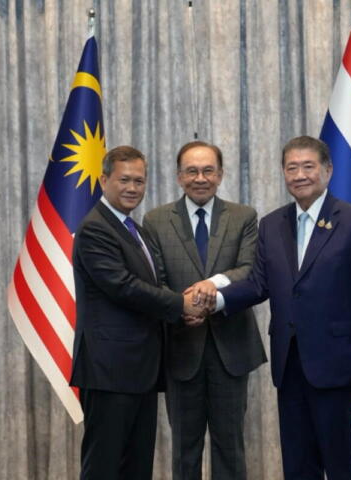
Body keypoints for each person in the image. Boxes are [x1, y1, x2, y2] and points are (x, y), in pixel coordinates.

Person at [212, 136, 351, 480]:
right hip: (289, 362)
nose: (300, 175)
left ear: (328, 170)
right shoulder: (271, 224)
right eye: (292, 167)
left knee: (337, 459)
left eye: (308, 166)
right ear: (283, 172)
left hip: (335, 361)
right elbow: (258, 284)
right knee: (297, 461)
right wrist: (214, 299)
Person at [69, 146, 205, 480]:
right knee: (104, 465)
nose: (133, 188)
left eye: (139, 181)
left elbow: (151, 286)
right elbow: (123, 286)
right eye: (124, 180)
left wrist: (180, 310)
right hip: (110, 369)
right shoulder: (95, 228)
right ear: (104, 180)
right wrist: (180, 305)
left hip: (140, 368)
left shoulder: (135, 229)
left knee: (137, 465)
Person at [142, 141, 266, 480]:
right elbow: (155, 280)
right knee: (185, 449)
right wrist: (182, 308)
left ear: (221, 174)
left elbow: (250, 270)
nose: (201, 178)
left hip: (232, 349)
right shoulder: (155, 221)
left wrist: (210, 287)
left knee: (230, 448)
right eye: (192, 171)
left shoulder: (244, 217)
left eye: (208, 170)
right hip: (181, 347)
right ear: (179, 176)